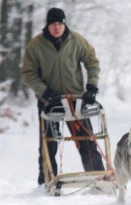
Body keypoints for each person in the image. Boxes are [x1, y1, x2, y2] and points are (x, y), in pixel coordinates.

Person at [22, 7, 105, 185]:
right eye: (53, 24)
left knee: (86, 141)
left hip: (75, 100)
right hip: (49, 102)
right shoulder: (36, 45)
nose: (57, 27)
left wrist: (91, 87)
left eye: (60, 23)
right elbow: (28, 74)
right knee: (48, 143)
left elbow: (92, 62)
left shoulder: (76, 41)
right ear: (48, 25)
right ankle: (46, 181)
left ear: (64, 24)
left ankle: (98, 177)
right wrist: (45, 92)